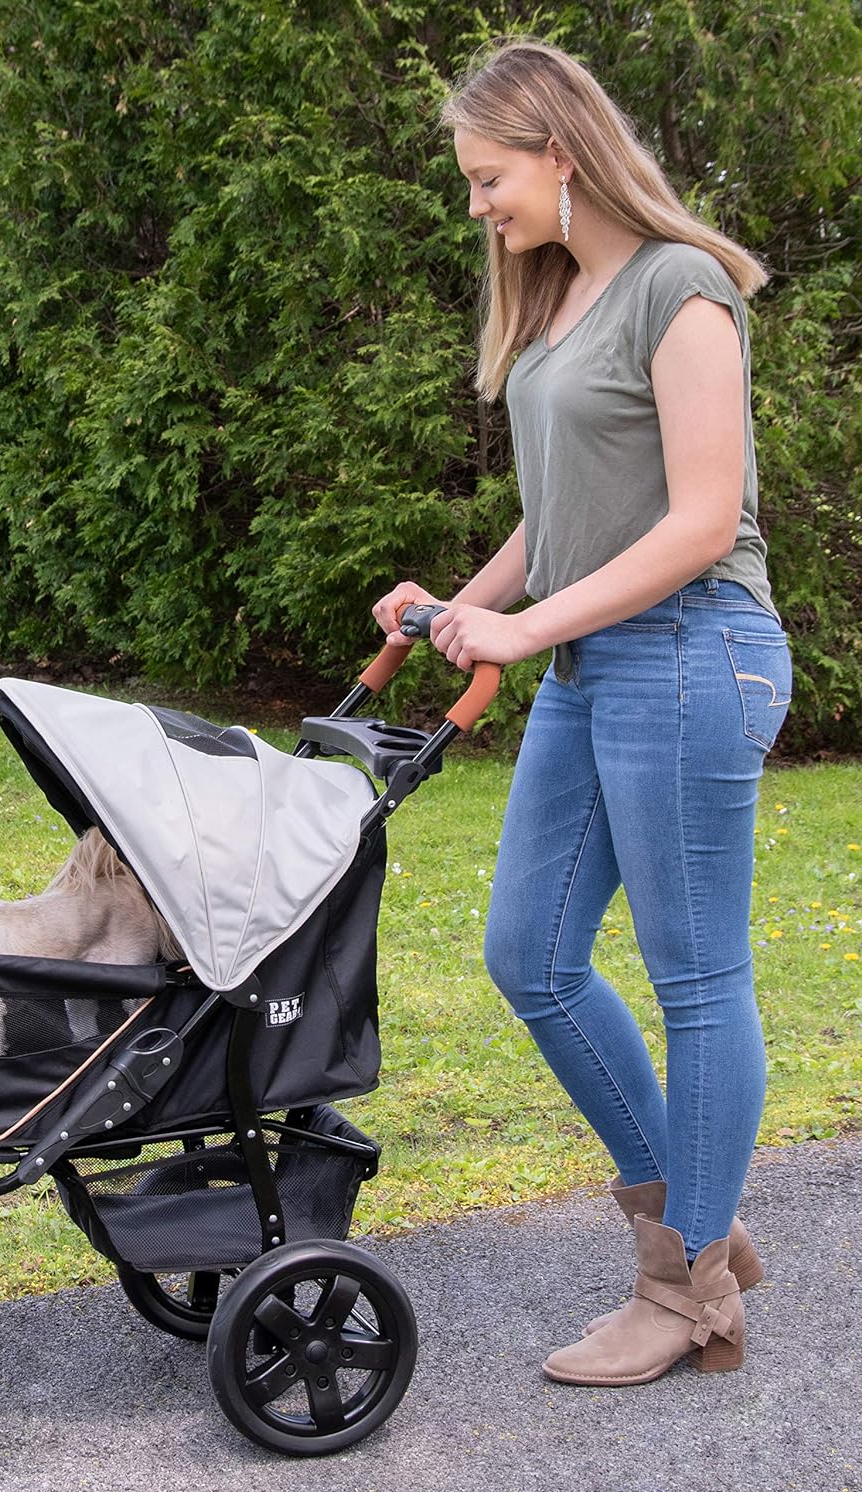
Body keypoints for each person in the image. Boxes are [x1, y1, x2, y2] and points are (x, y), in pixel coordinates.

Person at [372, 39, 791, 1387]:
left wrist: (524, 628)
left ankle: (685, 1290)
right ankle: (700, 1225)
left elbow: (701, 522)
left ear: (560, 151)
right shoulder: (560, 298)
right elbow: (560, 516)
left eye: (489, 177)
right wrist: (460, 606)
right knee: (531, 954)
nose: (477, 205)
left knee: (696, 977)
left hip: (695, 649)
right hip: (594, 661)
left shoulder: (681, 289)